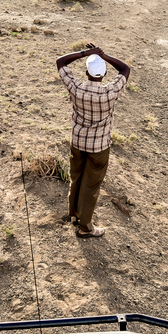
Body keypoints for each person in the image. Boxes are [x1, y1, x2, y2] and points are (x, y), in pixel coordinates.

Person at [56, 45, 131, 238]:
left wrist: (85, 53)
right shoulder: (110, 92)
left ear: (86, 72)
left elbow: (60, 61)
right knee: (91, 186)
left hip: (78, 142)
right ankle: (85, 227)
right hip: (99, 146)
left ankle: (74, 215)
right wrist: (104, 55)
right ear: (105, 72)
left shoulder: (77, 88)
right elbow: (125, 69)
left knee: (76, 178)